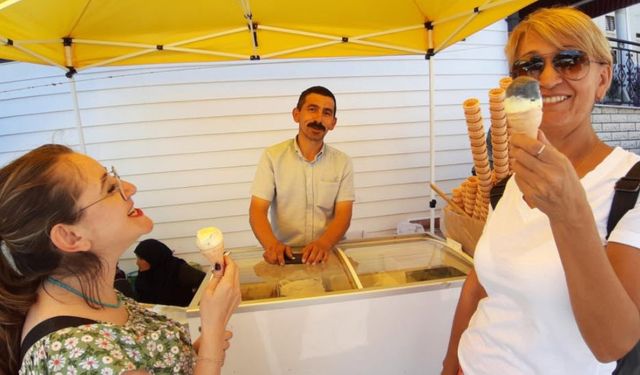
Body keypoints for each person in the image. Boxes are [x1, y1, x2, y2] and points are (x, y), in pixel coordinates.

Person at [442, 7, 640, 375]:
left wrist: (570, 212)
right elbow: (479, 285)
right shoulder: (507, 185)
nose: (547, 78)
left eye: (570, 60)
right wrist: (450, 362)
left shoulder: (632, 188)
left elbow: (614, 343)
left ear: (602, 79)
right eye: (530, 66)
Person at [0, 144, 241, 374]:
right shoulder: (80, 355)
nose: (130, 187)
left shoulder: (90, 295)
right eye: (110, 188)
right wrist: (212, 333)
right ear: (71, 236)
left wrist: (191, 356)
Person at [249, 86, 355, 265]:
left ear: (333, 123)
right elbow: (257, 210)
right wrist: (272, 245)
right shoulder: (272, 157)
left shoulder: (342, 162)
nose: (318, 119)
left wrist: (324, 243)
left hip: (328, 255)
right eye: (312, 109)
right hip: (285, 257)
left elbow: (344, 215)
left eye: (326, 113)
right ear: (296, 114)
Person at [134, 238, 206, 307]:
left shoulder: (178, 268)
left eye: (140, 259)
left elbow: (205, 282)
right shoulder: (146, 274)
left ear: (152, 258)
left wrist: (195, 304)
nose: (137, 262)